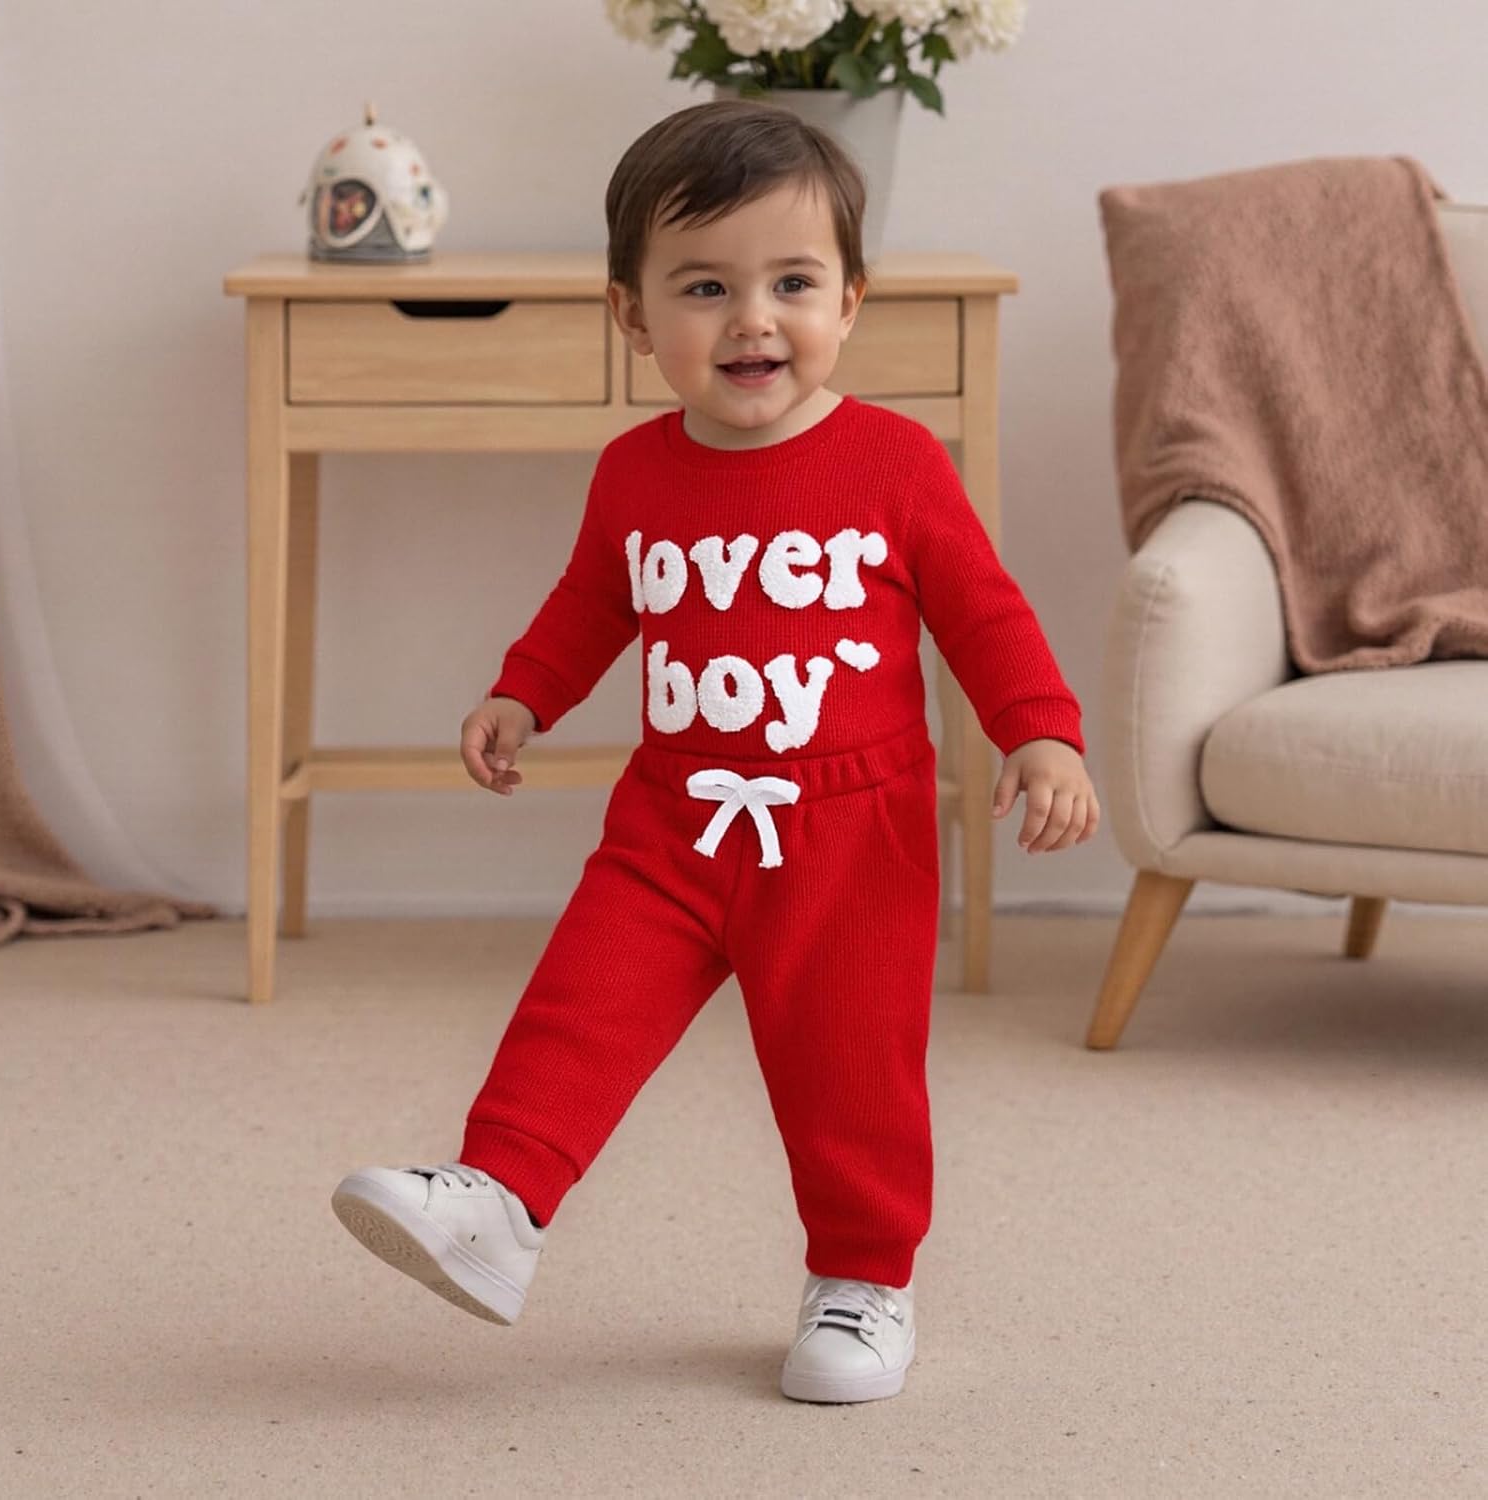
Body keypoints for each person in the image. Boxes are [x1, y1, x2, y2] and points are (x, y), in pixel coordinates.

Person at [332, 98, 1099, 1405]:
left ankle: (863, 1278)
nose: (753, 319)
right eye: (705, 287)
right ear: (632, 316)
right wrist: (524, 693)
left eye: (792, 283)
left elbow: (985, 611)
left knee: (850, 1069)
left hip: (851, 833)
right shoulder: (636, 471)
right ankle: (499, 1201)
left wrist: (1040, 732)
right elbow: (593, 601)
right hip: (672, 818)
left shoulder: (897, 463)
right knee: (582, 1002)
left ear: (849, 300)